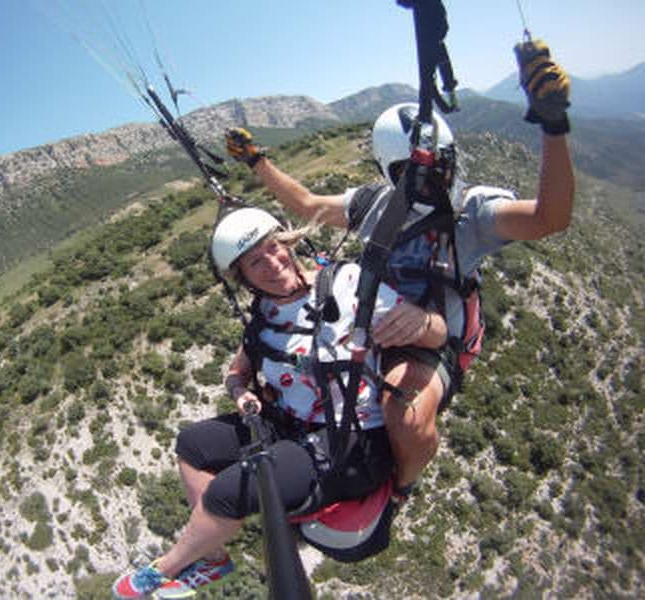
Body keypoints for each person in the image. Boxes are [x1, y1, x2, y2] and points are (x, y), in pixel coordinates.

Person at [224, 40, 575, 502]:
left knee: (402, 416)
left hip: (430, 341)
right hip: (370, 326)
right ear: (394, 173)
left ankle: (401, 487)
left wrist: (552, 124)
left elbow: (549, 218)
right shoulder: (374, 207)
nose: (438, 181)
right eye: (423, 172)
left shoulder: (468, 216)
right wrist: (257, 162)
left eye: (441, 169)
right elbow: (307, 205)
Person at [112, 207, 448, 598]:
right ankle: (212, 555)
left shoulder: (348, 284)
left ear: (287, 243)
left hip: (349, 440)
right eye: (256, 261)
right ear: (246, 279)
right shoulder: (264, 315)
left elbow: (437, 335)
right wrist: (241, 393)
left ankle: (166, 569)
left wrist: (422, 322)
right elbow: (236, 373)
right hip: (287, 423)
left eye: (274, 248)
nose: (273, 263)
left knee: (225, 493)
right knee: (192, 444)